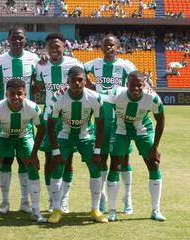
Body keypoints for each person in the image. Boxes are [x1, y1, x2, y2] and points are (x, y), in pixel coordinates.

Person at [47, 66, 107, 224]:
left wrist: (97, 151)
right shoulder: (58, 98)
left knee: (95, 168)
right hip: (64, 136)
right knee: (57, 167)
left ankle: (95, 209)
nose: (77, 83)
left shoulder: (94, 97)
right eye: (73, 79)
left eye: (80, 79)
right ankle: (56, 209)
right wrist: (55, 151)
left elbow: (100, 124)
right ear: (68, 80)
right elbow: (50, 125)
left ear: (86, 81)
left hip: (85, 136)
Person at [84, 34, 137, 214]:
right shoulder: (94, 64)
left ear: (118, 47)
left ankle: (127, 197)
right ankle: (102, 199)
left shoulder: (125, 65)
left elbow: (138, 80)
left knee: (124, 158)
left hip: (122, 118)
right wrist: (91, 86)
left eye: (112, 44)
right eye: (105, 44)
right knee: (103, 157)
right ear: (101, 46)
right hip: (103, 118)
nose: (108, 47)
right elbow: (78, 71)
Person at [103, 71, 166, 222]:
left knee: (153, 164)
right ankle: (112, 211)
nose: (136, 88)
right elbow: (96, 96)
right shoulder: (116, 94)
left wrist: (155, 147)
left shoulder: (152, 98)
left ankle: (155, 210)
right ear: (127, 84)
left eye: (140, 85)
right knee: (115, 166)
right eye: (132, 85)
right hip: (120, 130)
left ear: (144, 84)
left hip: (143, 130)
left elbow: (161, 120)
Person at [33, 32, 84, 214]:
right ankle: (52, 197)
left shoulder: (75, 64)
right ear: (47, 49)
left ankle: (64, 199)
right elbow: (36, 88)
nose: (54, 49)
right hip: (49, 119)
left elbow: (88, 85)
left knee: (67, 159)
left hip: (68, 119)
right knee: (50, 158)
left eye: (58, 46)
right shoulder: (41, 67)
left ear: (64, 46)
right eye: (51, 47)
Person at [0, 78, 47, 223]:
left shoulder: (33, 107)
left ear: (25, 93)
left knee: (32, 167)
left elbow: (41, 128)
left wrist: (34, 153)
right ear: (6, 94)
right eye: (12, 94)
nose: (16, 97)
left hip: (23, 138)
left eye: (19, 93)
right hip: (3, 138)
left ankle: (36, 211)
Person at [0, 26, 39, 215]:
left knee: (24, 161)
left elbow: (39, 83)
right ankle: (4, 203)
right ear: (8, 39)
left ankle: (25, 202)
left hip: (26, 118)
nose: (17, 41)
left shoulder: (35, 59)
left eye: (21, 38)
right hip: (5, 117)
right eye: (14, 38)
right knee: (5, 161)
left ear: (25, 39)